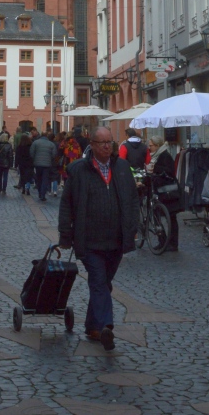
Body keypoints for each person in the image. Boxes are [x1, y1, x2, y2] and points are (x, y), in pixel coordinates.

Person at [58, 125, 139, 349]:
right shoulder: (78, 170)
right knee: (98, 281)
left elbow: (132, 199)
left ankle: (93, 326)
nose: (107, 146)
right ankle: (106, 327)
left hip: (116, 240)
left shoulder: (122, 167)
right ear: (91, 145)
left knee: (104, 282)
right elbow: (67, 205)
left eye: (110, 142)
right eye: (102, 142)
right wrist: (65, 235)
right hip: (89, 240)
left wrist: (132, 227)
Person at [148, 131, 180, 251]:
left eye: (151, 145)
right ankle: (164, 241)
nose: (149, 147)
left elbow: (170, 171)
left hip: (167, 192)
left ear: (157, 145)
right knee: (160, 216)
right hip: (162, 191)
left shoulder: (164, 155)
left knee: (171, 218)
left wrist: (154, 168)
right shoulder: (158, 155)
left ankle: (171, 243)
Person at [30, 128, 57, 202]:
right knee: (45, 179)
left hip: (37, 164)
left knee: (38, 179)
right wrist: (49, 159)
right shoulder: (51, 144)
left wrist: (35, 159)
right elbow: (54, 154)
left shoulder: (35, 142)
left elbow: (31, 153)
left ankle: (39, 192)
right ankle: (43, 194)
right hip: (47, 164)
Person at [0, 131, 14, 195]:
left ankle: (0, 188)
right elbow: (10, 156)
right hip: (6, 163)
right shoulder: (9, 146)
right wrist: (11, 164)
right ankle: (4, 189)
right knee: (5, 176)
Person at [14, 130, 34, 197]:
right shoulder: (30, 145)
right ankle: (27, 189)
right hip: (29, 163)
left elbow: (17, 156)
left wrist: (16, 164)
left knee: (22, 176)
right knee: (28, 177)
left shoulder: (19, 147)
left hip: (22, 164)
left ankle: (23, 189)